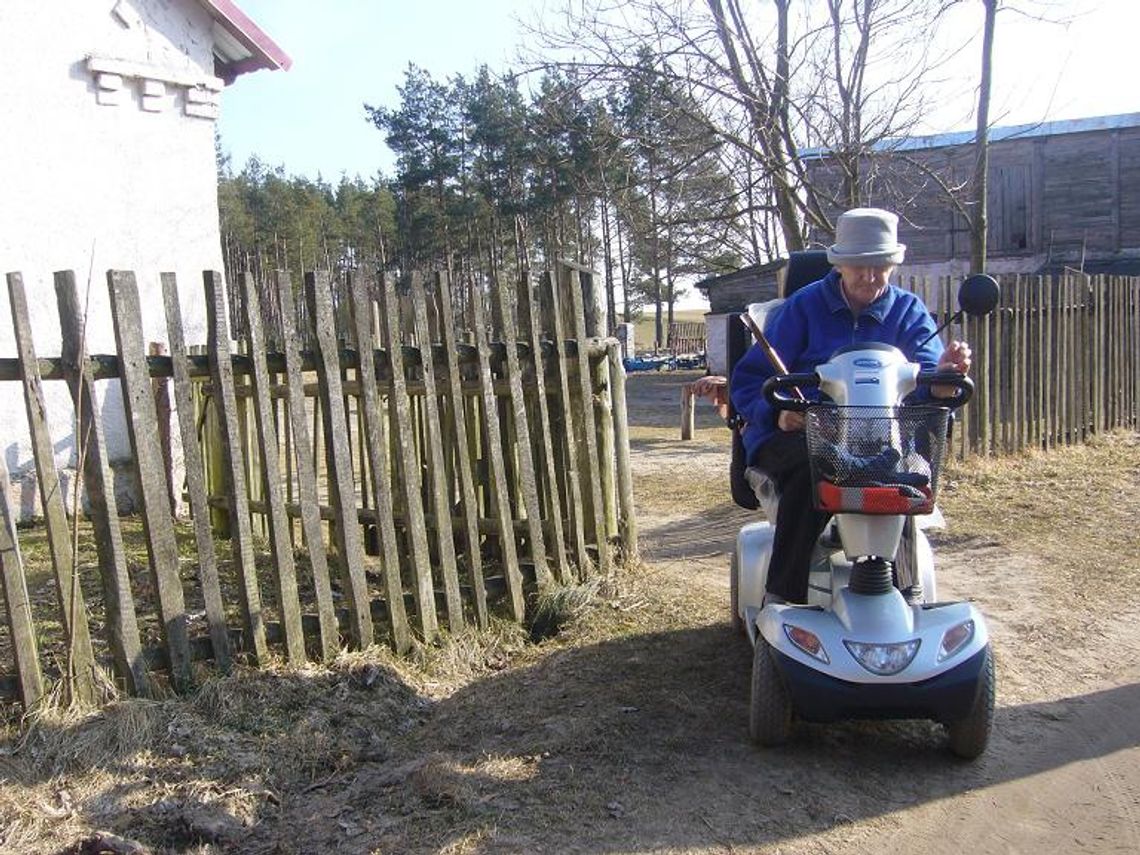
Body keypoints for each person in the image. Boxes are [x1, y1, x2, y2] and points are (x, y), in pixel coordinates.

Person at [730, 208, 972, 604]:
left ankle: (906, 593)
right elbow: (749, 380)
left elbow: (930, 384)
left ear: (893, 265)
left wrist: (945, 379)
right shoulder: (802, 308)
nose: (870, 277)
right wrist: (778, 412)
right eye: (859, 266)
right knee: (815, 468)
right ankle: (784, 597)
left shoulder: (908, 312)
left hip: (884, 438)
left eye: (880, 266)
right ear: (839, 264)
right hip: (802, 431)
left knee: (907, 472)